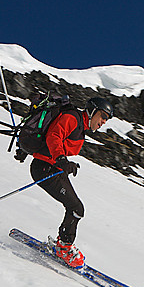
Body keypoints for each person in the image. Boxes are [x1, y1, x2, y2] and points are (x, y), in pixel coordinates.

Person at [29, 97, 114, 268]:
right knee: (76, 208)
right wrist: (61, 159)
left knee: (76, 207)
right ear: (91, 111)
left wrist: (65, 162)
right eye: (102, 115)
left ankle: (63, 245)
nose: (103, 121)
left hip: (52, 169)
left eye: (107, 119)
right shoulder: (72, 118)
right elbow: (54, 135)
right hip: (44, 169)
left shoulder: (80, 125)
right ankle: (64, 248)